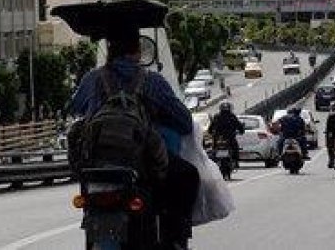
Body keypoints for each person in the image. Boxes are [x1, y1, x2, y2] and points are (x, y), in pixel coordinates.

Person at [69, 34, 198, 249]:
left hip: (96, 166)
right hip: (140, 165)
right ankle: (176, 239)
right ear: (138, 51)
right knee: (188, 176)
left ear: (109, 51)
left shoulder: (92, 79)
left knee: (89, 194)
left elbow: (75, 108)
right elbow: (184, 122)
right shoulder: (152, 81)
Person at [207, 101, 245, 166]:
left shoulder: (217, 116)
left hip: (220, 138)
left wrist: (211, 132)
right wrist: (241, 130)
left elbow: (210, 128)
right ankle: (235, 162)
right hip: (226, 138)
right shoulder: (232, 116)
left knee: (214, 148)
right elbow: (239, 126)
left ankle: (234, 161)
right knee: (234, 147)